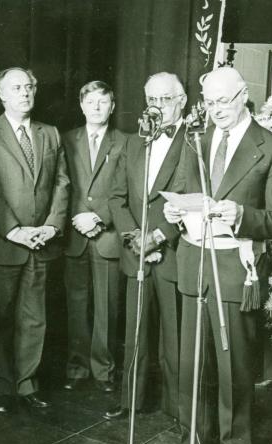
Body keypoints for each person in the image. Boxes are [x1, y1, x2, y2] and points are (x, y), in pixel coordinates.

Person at [163, 66, 272, 444]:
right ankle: (192, 437)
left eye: (224, 100)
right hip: (193, 259)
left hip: (236, 267)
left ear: (243, 96)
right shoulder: (195, 139)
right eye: (209, 102)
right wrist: (173, 209)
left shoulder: (271, 146)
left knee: (232, 363)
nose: (216, 109)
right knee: (190, 360)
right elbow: (184, 191)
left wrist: (242, 215)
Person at [0, 67, 69, 412]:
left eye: (29, 86)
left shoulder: (50, 133)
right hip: (5, 244)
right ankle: (1, 389)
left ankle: (27, 385)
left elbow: (62, 182)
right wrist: (14, 230)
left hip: (43, 242)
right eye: (16, 88)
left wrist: (52, 226)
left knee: (35, 317)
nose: (25, 93)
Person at [104, 72, 186, 420]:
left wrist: (157, 236)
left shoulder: (194, 141)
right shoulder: (134, 141)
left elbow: (191, 197)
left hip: (172, 251)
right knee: (135, 331)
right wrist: (134, 237)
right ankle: (131, 402)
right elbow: (116, 195)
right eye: (151, 100)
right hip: (136, 250)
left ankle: (177, 409)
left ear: (181, 101)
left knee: (175, 337)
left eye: (165, 100)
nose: (157, 108)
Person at [62, 81, 127, 392]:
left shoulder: (126, 142)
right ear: (81, 105)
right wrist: (79, 218)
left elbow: (127, 190)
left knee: (107, 307)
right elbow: (63, 185)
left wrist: (99, 217)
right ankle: (77, 367)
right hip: (75, 234)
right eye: (91, 101)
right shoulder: (65, 140)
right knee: (76, 306)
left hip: (107, 236)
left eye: (103, 101)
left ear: (112, 106)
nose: (97, 107)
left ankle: (104, 371)